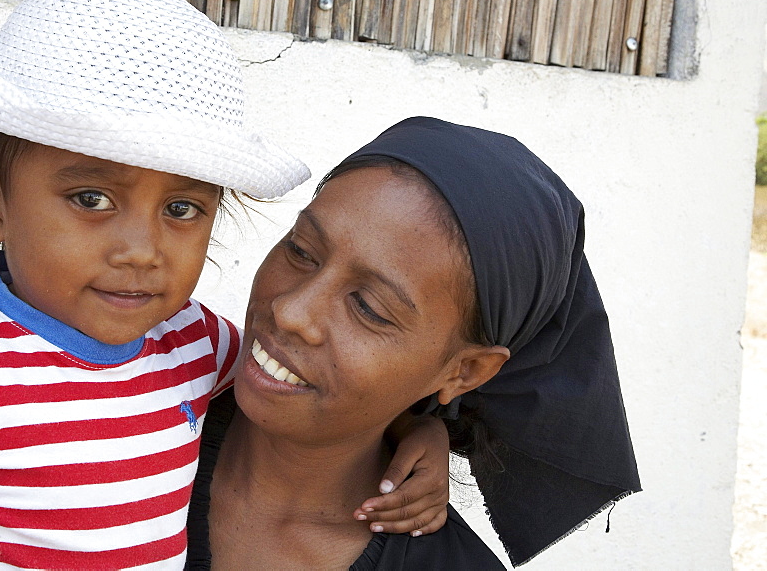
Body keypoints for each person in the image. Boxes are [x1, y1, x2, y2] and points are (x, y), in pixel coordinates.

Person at [0, 0, 449, 569]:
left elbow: (298, 377)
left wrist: (420, 431)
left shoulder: (193, 346)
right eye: (92, 199)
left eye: (183, 208)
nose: (141, 250)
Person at [185, 116, 642, 569]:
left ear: (464, 372)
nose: (291, 311)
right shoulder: (139, 398)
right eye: (301, 251)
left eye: (367, 307)